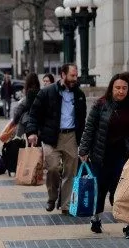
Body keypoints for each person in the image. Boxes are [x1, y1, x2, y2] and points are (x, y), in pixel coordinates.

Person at [78, 73, 129, 238]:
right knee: (100, 189)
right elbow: (89, 128)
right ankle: (96, 219)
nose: (120, 91)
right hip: (102, 155)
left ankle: (127, 225)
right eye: (117, 88)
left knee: (123, 191)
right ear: (111, 88)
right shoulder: (100, 104)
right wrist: (84, 150)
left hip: (125, 155)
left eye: (124, 88)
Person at [26, 63, 87, 215]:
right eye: (72, 76)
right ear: (63, 75)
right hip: (51, 136)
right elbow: (34, 114)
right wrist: (32, 132)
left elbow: (82, 119)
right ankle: (52, 196)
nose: (75, 79)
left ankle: (65, 205)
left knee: (70, 172)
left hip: (71, 136)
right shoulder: (47, 92)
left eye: (76, 76)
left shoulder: (79, 94)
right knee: (52, 168)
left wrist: (83, 140)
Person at [11, 73, 40, 138]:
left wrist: (14, 121)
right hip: (39, 122)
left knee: (31, 143)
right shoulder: (40, 92)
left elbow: (25, 107)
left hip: (30, 122)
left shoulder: (30, 92)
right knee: (37, 143)